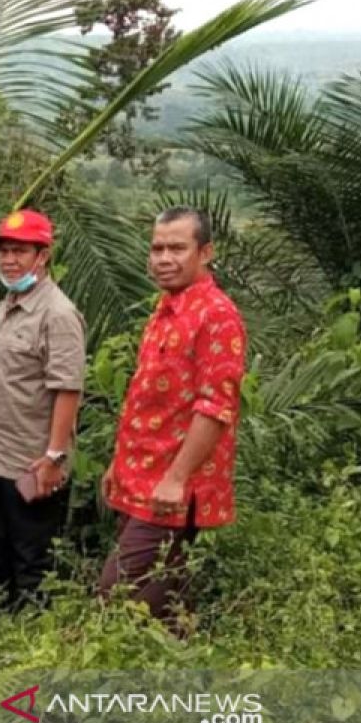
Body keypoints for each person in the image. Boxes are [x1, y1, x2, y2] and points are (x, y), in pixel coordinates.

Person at [98, 206, 246, 631]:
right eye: (157, 248)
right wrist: (119, 463)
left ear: (206, 252)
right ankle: (182, 681)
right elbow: (150, 399)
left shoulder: (216, 315)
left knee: (115, 594)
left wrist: (178, 477)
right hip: (141, 475)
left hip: (170, 488)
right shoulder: (165, 310)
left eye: (177, 248)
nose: (164, 258)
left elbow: (215, 407)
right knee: (164, 602)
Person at [0, 209, 86, 609]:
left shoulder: (58, 313)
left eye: (19, 251)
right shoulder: (10, 301)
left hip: (31, 463)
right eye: (3, 251)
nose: (9, 259)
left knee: (30, 560)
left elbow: (67, 389)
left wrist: (53, 457)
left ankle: (28, 652)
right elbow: (11, 372)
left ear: (42, 255)